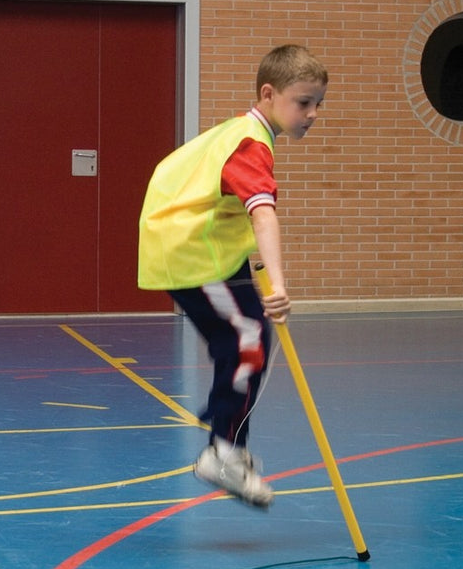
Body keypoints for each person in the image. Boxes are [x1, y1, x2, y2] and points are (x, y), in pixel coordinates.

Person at [138, 45, 328, 507]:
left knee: (245, 341)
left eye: (318, 103)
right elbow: (263, 214)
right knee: (246, 336)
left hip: (209, 248)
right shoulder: (249, 144)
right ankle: (224, 451)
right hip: (189, 252)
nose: (313, 114)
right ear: (268, 93)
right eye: (304, 102)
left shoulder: (242, 133)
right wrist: (279, 284)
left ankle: (226, 444)